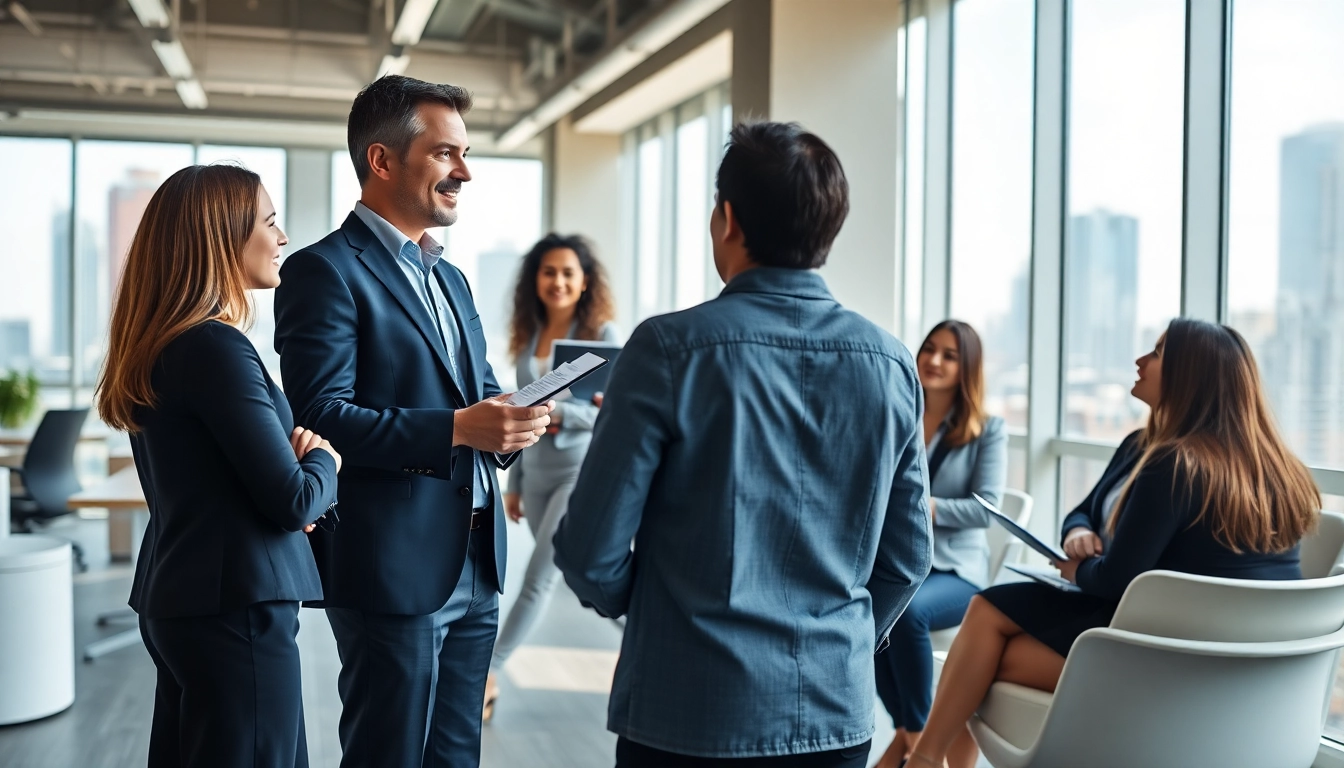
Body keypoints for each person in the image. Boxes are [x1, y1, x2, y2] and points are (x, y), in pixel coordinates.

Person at [553, 121, 934, 768]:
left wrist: (656, 611)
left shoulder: (670, 350)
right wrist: (837, 643)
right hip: (835, 717)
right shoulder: (892, 364)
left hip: (691, 709)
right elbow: (906, 557)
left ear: (727, 219)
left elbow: (591, 550)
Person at [273, 75, 552, 768]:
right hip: (393, 566)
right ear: (382, 160)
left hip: (479, 561)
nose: (465, 171)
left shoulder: (449, 278)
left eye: (464, 153)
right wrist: (459, 429)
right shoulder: (324, 271)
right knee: (388, 753)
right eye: (445, 153)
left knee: (456, 756)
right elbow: (322, 416)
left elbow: (482, 392)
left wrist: (517, 423)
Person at [907, 318, 1321, 768]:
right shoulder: (1278, 468)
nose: (1141, 361)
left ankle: (922, 760)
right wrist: (1080, 532)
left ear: (1189, 375)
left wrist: (1073, 569)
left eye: (1158, 353)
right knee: (987, 631)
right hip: (1257, 672)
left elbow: (1118, 581)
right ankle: (925, 761)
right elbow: (1086, 513)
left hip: (1167, 655)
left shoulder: (1175, 463)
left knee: (982, 642)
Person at [97, 164, 342, 768]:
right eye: (270, 221)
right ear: (222, 236)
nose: (283, 237)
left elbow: (217, 481)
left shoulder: (165, 343)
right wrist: (325, 463)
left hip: (186, 598)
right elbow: (292, 499)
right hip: (237, 609)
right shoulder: (216, 346)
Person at [484, 233, 620, 716]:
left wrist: (556, 414)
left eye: (567, 272)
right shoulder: (530, 334)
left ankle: (489, 672)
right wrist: (515, 484)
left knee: (539, 576)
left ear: (584, 282)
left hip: (578, 470)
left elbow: (612, 411)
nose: (557, 281)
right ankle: (649, 635)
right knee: (576, 578)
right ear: (534, 280)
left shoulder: (603, 338)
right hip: (536, 470)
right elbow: (522, 412)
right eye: (548, 272)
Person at [874, 320, 1006, 768]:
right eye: (930, 349)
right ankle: (911, 738)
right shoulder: (900, 412)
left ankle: (915, 740)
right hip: (903, 561)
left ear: (966, 367)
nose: (933, 360)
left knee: (906, 612)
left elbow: (987, 508)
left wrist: (925, 507)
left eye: (949, 355)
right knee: (869, 606)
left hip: (957, 571)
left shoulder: (987, 429)